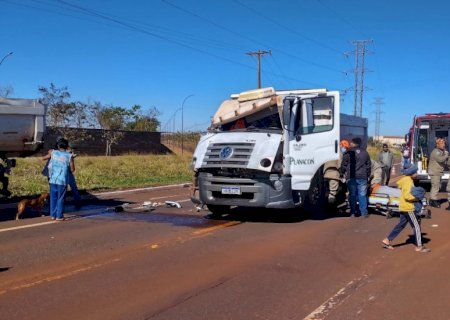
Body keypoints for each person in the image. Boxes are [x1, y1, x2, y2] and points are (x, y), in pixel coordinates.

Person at [382, 164, 431, 253]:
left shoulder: (404, 180)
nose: (416, 173)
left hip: (403, 206)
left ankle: (387, 240)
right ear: (411, 173)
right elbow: (407, 196)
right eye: (415, 172)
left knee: (400, 225)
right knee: (416, 226)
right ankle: (419, 246)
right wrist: (416, 198)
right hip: (409, 207)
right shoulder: (408, 181)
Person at [340, 137, 371, 218]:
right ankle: (363, 213)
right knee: (362, 195)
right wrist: (367, 175)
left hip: (351, 176)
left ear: (354, 143)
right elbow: (368, 165)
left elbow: (344, 164)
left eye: (351, 142)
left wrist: (341, 173)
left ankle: (353, 212)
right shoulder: (365, 153)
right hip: (362, 176)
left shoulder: (349, 152)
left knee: (352, 194)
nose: (350, 144)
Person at [47, 138, 74, 221]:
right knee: (60, 198)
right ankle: (59, 216)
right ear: (67, 146)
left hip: (53, 179)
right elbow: (72, 169)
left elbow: (49, 153)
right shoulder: (69, 156)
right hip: (62, 180)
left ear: (58, 145)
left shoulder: (53, 153)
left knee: (53, 197)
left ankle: (53, 215)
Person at [324, 139, 349, 204]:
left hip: (326, 174)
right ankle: (331, 208)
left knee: (328, 190)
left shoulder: (331, 151)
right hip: (334, 175)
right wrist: (342, 175)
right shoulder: (339, 153)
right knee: (332, 192)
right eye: (345, 148)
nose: (345, 149)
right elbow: (340, 165)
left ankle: (326, 206)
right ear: (341, 146)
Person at [427, 137, 449, 209]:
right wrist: (446, 155)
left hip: (438, 171)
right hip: (434, 172)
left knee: (437, 186)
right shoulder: (436, 151)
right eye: (442, 144)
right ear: (437, 144)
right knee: (435, 187)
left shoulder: (441, 151)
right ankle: (433, 201)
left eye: (444, 143)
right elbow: (440, 159)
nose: (444, 145)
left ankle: (432, 199)